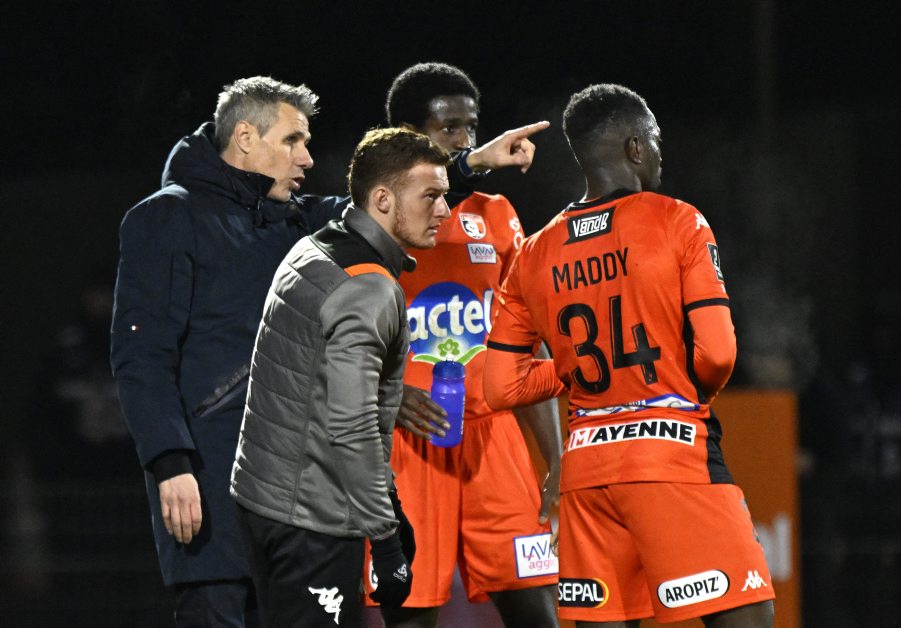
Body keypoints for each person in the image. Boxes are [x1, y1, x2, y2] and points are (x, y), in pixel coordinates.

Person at [111, 74, 552, 626]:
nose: (307, 157)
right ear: (245, 137)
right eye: (292, 140)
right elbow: (142, 357)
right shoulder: (167, 217)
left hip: (310, 486)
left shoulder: (300, 219)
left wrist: (473, 164)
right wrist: (170, 464)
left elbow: (387, 209)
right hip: (211, 476)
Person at [483, 84, 776, 627]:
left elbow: (501, 387)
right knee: (749, 616)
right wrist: (680, 388)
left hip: (585, 473)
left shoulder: (533, 253)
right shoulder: (678, 220)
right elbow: (717, 354)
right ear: (636, 148)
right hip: (671, 453)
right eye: (655, 140)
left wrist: (575, 368)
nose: (661, 153)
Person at [362, 62, 562, 628]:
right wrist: (387, 396)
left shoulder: (495, 216)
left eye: (471, 127)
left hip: (493, 438)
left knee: (535, 608)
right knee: (411, 614)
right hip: (409, 440)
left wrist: (556, 457)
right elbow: (338, 338)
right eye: (448, 127)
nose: (464, 140)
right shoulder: (376, 219)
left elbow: (527, 344)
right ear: (405, 135)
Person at [231, 127, 452, 627]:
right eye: (431, 196)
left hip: (262, 500)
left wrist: (387, 502)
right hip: (313, 522)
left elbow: (313, 391)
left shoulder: (313, 248)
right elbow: (352, 425)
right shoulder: (369, 289)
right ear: (383, 199)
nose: (444, 210)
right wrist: (387, 541)